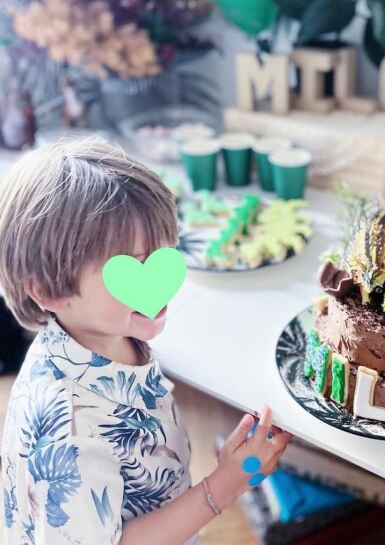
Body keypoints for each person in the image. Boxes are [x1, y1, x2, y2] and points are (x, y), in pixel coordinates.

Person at [0, 138, 292, 544]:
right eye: (131, 268)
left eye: (162, 253)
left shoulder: (103, 333)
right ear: (49, 292)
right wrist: (226, 484)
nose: (160, 282)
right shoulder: (69, 432)